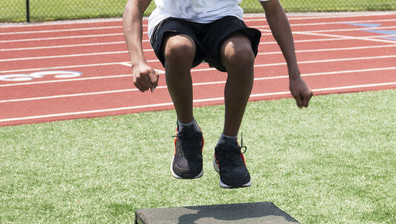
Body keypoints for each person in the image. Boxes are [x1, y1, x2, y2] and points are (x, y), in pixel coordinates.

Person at [123, 0, 313, 188]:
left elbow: (274, 11)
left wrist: (295, 74)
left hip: (223, 19)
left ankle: (228, 144)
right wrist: (137, 61)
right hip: (173, 19)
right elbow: (135, 6)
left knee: (242, 54)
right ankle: (187, 131)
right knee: (178, 48)